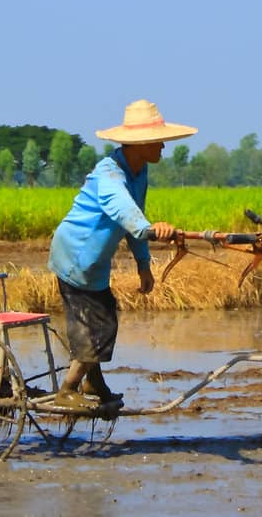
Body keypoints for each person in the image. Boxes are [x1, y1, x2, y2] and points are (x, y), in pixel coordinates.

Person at [48, 99, 196, 409]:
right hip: (76, 256)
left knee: (103, 314)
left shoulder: (138, 173)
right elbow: (125, 211)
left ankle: (93, 381)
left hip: (95, 262)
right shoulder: (109, 175)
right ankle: (67, 390)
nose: (163, 147)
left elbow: (134, 217)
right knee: (98, 325)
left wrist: (144, 263)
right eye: (158, 141)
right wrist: (152, 228)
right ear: (139, 144)